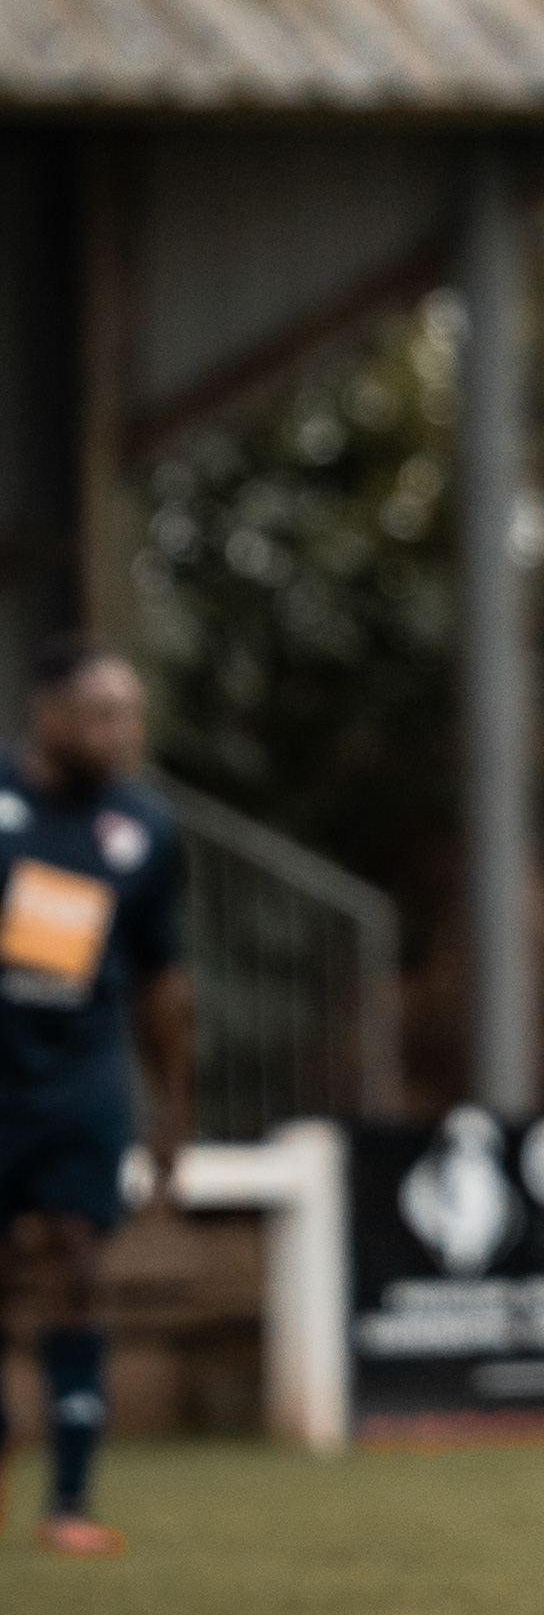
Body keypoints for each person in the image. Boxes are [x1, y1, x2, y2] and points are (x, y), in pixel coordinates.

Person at [0, 639, 191, 1555]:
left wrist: (171, 1109)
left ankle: (68, 1502)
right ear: (50, 714)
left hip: (80, 1079)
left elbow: (163, 979)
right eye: (103, 713)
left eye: (131, 714)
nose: (123, 732)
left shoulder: (143, 828)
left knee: (77, 1263)